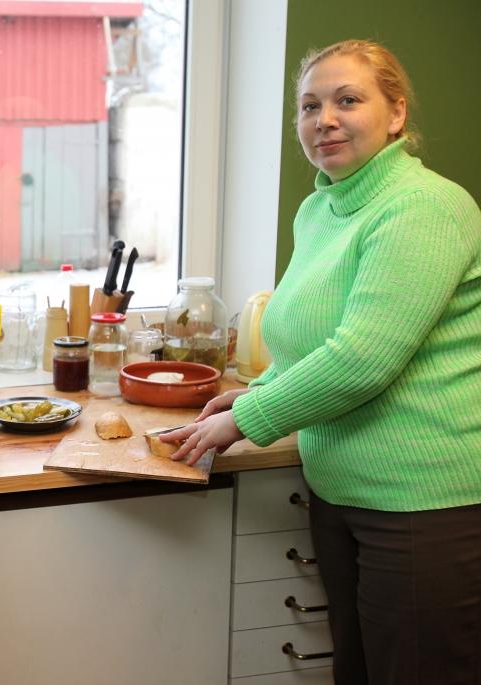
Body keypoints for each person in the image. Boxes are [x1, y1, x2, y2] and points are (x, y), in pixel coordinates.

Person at [162, 40, 481, 684]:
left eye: (348, 100)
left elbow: (364, 358)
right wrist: (258, 389)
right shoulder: (322, 208)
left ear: (395, 114)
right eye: (310, 106)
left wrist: (249, 418)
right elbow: (315, 337)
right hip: (341, 490)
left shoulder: (424, 208)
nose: (324, 119)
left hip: (423, 501)